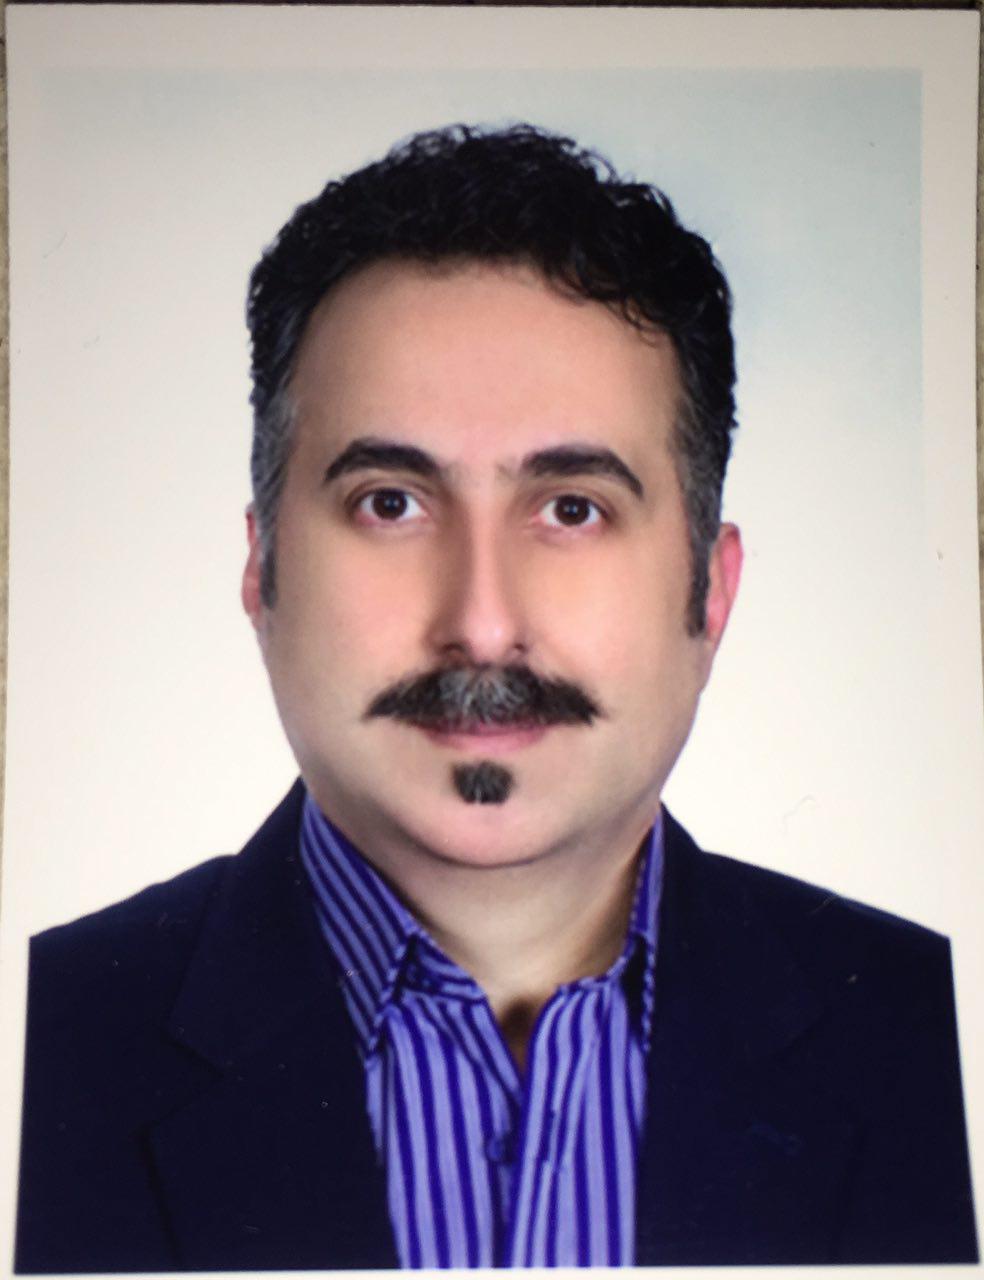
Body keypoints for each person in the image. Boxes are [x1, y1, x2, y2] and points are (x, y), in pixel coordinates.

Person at [15, 124, 977, 1272]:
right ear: (263, 569)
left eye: (572, 507)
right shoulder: (39, 1039)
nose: (479, 621)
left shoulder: (939, 1034)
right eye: (390, 502)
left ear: (711, 590)